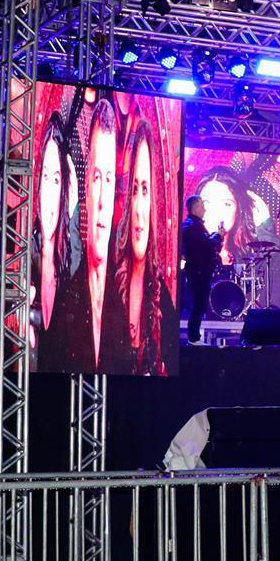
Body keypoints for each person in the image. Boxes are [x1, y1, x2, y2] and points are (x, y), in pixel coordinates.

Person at [58, 96, 127, 373]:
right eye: (96, 177)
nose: (101, 201)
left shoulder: (125, 299)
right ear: (85, 183)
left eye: (108, 179)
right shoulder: (65, 291)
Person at [114, 113, 172, 374]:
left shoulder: (163, 296)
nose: (138, 209)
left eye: (146, 190)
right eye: (134, 189)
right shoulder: (108, 283)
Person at [31, 111, 76, 358]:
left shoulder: (71, 258)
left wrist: (74, 208)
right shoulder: (25, 252)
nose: (49, 193)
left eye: (56, 180)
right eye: (45, 177)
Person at [180, 194, 220, 345]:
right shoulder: (192, 226)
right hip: (198, 271)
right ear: (195, 208)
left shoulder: (194, 225)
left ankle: (194, 336)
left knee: (199, 304)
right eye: (202, 206)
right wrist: (218, 236)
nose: (204, 209)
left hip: (200, 271)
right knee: (198, 304)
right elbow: (206, 245)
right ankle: (194, 337)